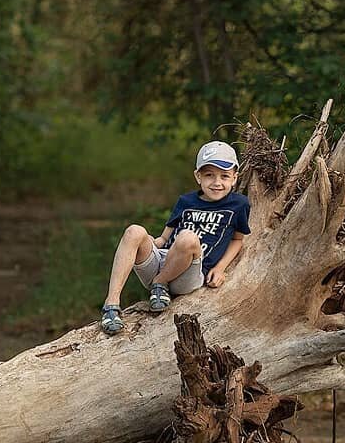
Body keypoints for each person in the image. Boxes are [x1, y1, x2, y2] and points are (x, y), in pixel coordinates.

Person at [100, 140, 251, 335]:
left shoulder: (239, 204)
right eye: (209, 175)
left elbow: (238, 240)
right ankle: (111, 305)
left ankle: (160, 283)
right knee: (134, 231)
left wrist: (220, 268)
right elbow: (164, 237)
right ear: (198, 176)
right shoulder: (186, 201)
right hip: (165, 259)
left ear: (234, 178)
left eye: (224, 176)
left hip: (189, 273)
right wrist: (149, 243)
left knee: (188, 238)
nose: (217, 182)